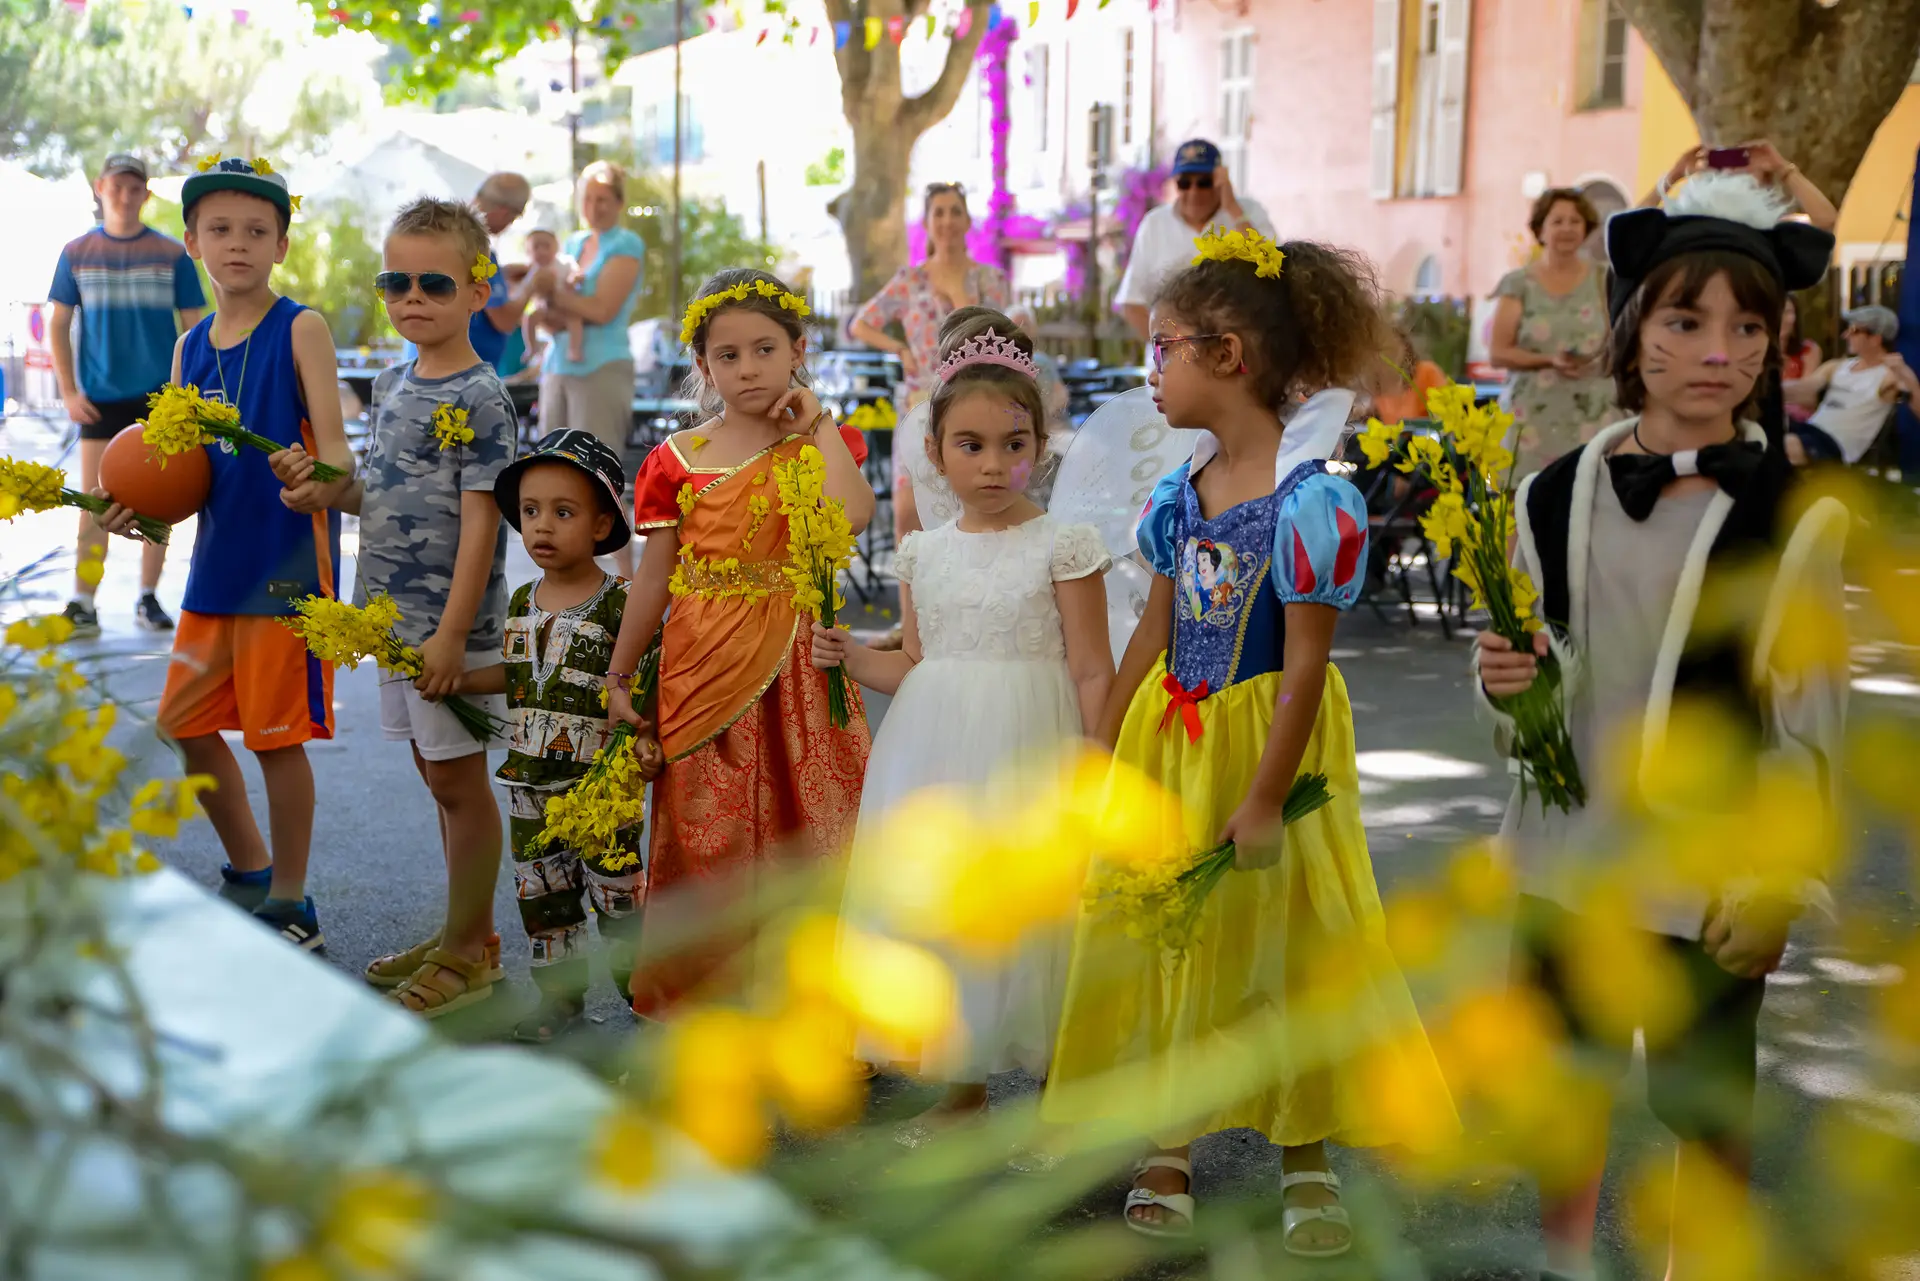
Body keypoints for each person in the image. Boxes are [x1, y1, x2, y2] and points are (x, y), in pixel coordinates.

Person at [1043, 230, 1454, 1254]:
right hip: (1173, 739)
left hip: (1274, 743)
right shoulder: (1182, 490)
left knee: (1288, 944)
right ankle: (1169, 1136)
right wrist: (1103, 741)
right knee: (1169, 935)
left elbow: (1307, 664)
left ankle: (1304, 1147)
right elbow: (1152, 624)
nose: (1153, 371)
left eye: (1164, 349)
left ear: (1225, 355)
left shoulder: (1311, 501)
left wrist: (1269, 796)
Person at [1473, 172, 1843, 1281]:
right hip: (1566, 863)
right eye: (1686, 320)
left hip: (1709, 878)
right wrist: (1502, 686)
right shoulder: (1548, 495)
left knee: (1709, 1118)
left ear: (1777, 346)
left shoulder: (1795, 520)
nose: (1716, 350)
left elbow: (1810, 722)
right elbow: (1530, 685)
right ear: (1636, 335)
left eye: (1748, 326)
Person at [812, 307, 1113, 1136]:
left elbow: (1091, 665)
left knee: (1039, 917)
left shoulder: (1064, 543)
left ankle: (1060, 1103)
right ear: (937, 454)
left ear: (1040, 448)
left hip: (1032, 747)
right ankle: (962, 1094)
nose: (992, 463)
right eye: (970, 445)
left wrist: (1100, 762)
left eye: (1014, 445)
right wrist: (845, 654)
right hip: (935, 754)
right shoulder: (924, 553)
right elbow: (912, 659)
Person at [92, 158, 352, 948]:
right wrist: (141, 513)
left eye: (256, 231)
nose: (237, 243)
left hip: (286, 566)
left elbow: (339, 460)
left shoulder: (301, 327)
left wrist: (317, 480)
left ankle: (293, 898)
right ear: (192, 240)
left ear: (280, 243)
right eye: (220, 229)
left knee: (277, 741)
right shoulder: (187, 349)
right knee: (184, 722)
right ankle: (249, 868)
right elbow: (184, 480)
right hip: (215, 568)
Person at [606, 268, 875, 1018]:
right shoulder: (675, 460)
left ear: (798, 351)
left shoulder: (819, 445)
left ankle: (815, 1014)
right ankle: (710, 1011)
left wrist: (817, 425)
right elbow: (654, 578)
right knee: (708, 832)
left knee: (813, 830)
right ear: (703, 366)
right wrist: (621, 673)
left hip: (795, 660)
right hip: (700, 662)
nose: (748, 368)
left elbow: (853, 512)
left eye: (765, 348)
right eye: (728, 355)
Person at [279, 197, 518, 1016]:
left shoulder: (485, 396)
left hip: (448, 630)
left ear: (477, 292)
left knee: (459, 784)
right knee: (434, 776)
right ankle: (469, 933)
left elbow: (484, 522)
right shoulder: (389, 380)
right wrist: (319, 484)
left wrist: (454, 636)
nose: (412, 297)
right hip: (389, 620)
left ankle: (467, 953)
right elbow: (372, 496)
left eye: (434, 283)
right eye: (396, 280)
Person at [460, 429, 656, 1042]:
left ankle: (644, 999)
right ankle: (559, 1003)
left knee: (619, 899)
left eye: (563, 513)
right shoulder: (522, 599)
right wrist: (455, 681)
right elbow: (519, 671)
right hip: (528, 786)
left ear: (602, 525)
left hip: (600, 787)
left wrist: (648, 742)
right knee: (546, 901)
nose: (542, 527)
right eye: (530, 512)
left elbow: (651, 681)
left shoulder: (623, 603)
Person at [49, 152, 206, 637]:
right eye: (117, 184)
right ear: (99, 187)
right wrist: (69, 391)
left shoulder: (173, 253)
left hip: (161, 399)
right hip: (100, 396)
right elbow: (57, 324)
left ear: (146, 192)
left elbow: (195, 325)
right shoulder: (75, 252)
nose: (125, 193)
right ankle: (83, 600)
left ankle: (148, 597)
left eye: (134, 185)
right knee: (97, 501)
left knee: (161, 499)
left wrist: (191, 398)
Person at [849, 182, 1013, 583]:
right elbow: (860, 323)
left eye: (955, 211)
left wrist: (958, 292)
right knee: (907, 512)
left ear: (967, 220)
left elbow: (993, 336)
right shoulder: (911, 280)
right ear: (926, 222)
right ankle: (910, 631)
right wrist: (900, 349)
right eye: (938, 212)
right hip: (920, 403)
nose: (946, 220)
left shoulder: (989, 280)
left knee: (968, 509)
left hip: (975, 400)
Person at [1488, 188, 1616, 464]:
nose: (1567, 229)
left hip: (1593, 411)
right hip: (1532, 418)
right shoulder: (1519, 283)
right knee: (1523, 500)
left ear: (1586, 228)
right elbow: (1498, 353)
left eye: (1575, 221)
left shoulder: (1603, 278)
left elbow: (1616, 338)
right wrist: (1548, 360)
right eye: (1557, 221)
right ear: (1541, 229)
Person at [1113, 139, 1275, 344]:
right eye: (1185, 183)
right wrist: (1172, 347)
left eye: (1204, 182)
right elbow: (1131, 303)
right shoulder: (1155, 224)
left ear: (1220, 180)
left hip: (1236, 354)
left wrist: (1232, 208)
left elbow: (1269, 265)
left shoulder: (1247, 213)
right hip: (1171, 362)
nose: (1194, 192)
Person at [399, 172, 538, 375]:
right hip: (460, 378)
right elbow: (504, 320)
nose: (511, 224)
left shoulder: (445, 239)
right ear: (503, 212)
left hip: (426, 368)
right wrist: (534, 281)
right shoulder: (476, 252)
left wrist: (502, 274)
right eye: (515, 217)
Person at [1784, 304, 1919, 465]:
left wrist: (1905, 374)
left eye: (1854, 330)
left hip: (1833, 447)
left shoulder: (1889, 375)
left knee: (1786, 444)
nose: (1845, 335)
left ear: (1875, 338)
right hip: (1809, 432)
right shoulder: (1836, 366)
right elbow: (1803, 388)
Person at [521, 226, 586, 366]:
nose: (542, 251)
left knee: (575, 320)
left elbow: (578, 273)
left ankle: (574, 349)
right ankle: (531, 347)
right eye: (536, 247)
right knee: (529, 319)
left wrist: (572, 279)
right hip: (544, 307)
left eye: (546, 246)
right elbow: (525, 290)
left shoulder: (565, 262)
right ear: (529, 252)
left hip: (566, 305)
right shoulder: (533, 270)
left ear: (556, 248)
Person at [1779, 296, 1822, 424]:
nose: (1781, 317)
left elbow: (1808, 397)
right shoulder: (1756, 349)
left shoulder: (1808, 350)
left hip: (1797, 419)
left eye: (1787, 312)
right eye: (1777, 311)